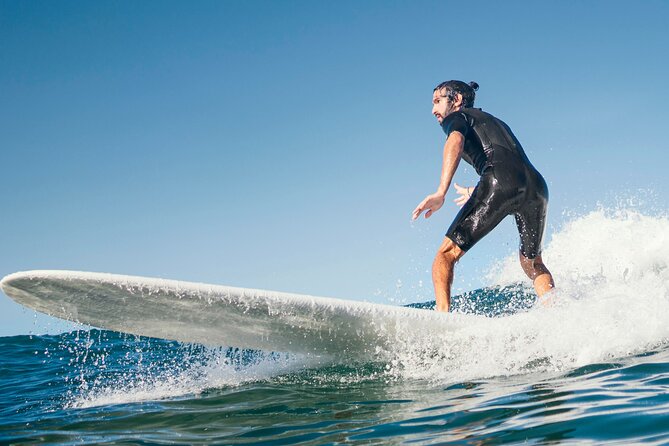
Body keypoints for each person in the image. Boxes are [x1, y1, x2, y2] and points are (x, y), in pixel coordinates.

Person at [411, 80, 555, 312]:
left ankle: (442, 318)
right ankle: (555, 311)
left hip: (500, 181)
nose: (433, 110)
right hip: (537, 187)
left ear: (456, 100)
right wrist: (478, 190)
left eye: (438, 101)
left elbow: (455, 141)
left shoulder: (456, 117)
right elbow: (510, 164)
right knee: (532, 262)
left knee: (445, 255)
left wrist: (441, 191)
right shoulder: (494, 121)